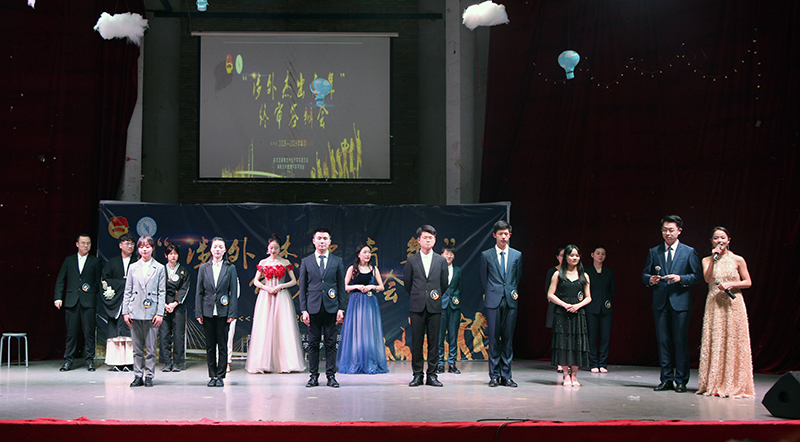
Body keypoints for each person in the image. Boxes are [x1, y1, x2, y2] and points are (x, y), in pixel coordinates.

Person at [642, 215, 703, 393]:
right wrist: (650, 279)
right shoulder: (654, 251)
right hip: (660, 302)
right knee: (663, 341)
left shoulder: (688, 251)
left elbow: (697, 276)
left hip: (680, 302)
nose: (667, 234)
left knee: (680, 341)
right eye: (664, 230)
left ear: (679, 231)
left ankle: (681, 380)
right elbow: (645, 274)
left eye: (671, 230)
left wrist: (680, 278)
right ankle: (666, 379)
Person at [697, 227, 754, 398]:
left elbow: (748, 282)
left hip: (733, 304)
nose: (719, 241)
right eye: (716, 238)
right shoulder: (707, 260)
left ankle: (733, 383)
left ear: (728, 240)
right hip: (714, 304)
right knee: (716, 340)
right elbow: (708, 279)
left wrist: (731, 284)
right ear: (711, 241)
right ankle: (714, 383)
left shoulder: (738, 259)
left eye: (722, 238)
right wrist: (714, 260)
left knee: (734, 340)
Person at [246, 234, 305, 374]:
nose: (273, 250)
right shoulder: (263, 262)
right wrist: (266, 288)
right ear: (268, 248)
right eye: (271, 248)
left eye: (276, 248)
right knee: (264, 327)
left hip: (281, 296)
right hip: (266, 296)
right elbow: (256, 281)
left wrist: (280, 286)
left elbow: (293, 281)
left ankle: (286, 363)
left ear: (280, 248)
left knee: (283, 327)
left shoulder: (285, 262)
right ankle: (263, 363)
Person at [298, 228, 347, 388]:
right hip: (313, 309)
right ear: (314, 241)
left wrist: (341, 308)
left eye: (325, 238)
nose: (322, 241)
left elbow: (341, 287)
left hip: (331, 308)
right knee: (313, 344)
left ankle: (331, 376)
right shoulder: (306, 261)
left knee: (331, 344)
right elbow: (302, 288)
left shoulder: (337, 261)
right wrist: (304, 310)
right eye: (319, 238)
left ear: (330, 241)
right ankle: (313, 376)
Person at [403, 225, 449, 387]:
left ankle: (432, 375)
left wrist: (433, 296)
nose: (428, 240)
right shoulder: (412, 260)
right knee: (417, 342)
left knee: (434, 342)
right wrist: (419, 295)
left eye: (431, 238)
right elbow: (408, 283)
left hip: (434, 306)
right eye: (425, 237)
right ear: (419, 240)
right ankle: (417, 375)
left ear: (434, 240)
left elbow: (444, 283)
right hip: (417, 306)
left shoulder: (441, 260)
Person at [480, 220, 522, 388]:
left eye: (506, 234)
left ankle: (506, 375)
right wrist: (493, 291)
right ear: (494, 235)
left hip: (510, 300)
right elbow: (484, 279)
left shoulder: (517, 255)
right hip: (493, 300)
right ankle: (494, 376)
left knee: (508, 339)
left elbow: (517, 277)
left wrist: (510, 291)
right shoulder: (486, 255)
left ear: (510, 235)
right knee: (493, 339)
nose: (503, 237)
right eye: (500, 234)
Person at [54, 234, 103, 372]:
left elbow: (98, 281)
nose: (86, 245)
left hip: (88, 302)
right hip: (72, 301)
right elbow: (61, 279)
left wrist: (91, 293)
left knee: (89, 332)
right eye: (83, 243)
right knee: (71, 333)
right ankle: (68, 361)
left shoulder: (95, 261)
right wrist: (58, 298)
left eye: (88, 243)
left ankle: (90, 361)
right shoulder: (69, 260)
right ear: (77, 244)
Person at [337, 243, 389, 374]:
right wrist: (357, 286)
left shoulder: (374, 269)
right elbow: (345, 286)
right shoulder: (352, 269)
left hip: (370, 301)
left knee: (369, 331)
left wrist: (372, 287)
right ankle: (355, 361)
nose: (367, 255)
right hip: (356, 301)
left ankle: (369, 362)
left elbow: (382, 286)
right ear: (358, 254)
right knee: (357, 331)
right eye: (365, 252)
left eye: (369, 252)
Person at [122, 236, 166, 387]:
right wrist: (125, 312)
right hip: (135, 311)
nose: (144, 249)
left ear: (152, 248)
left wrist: (159, 313)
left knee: (151, 348)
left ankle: (149, 375)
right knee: (137, 348)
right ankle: (137, 375)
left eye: (147, 246)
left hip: (152, 312)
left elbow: (162, 292)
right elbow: (127, 291)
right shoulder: (133, 267)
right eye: (141, 247)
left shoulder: (159, 268)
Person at [195, 237, 239, 388]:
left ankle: (220, 376)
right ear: (211, 249)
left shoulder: (230, 268)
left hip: (223, 312)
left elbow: (233, 292)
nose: (218, 249)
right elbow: (199, 292)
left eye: (221, 247)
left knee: (222, 345)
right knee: (210, 346)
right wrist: (199, 313)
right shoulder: (203, 268)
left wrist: (232, 313)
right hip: (207, 311)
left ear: (225, 250)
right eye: (215, 247)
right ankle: (212, 375)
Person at [547, 244, 592, 387]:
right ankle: (566, 374)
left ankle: (575, 375)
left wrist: (578, 306)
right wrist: (564, 304)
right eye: (571, 255)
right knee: (563, 343)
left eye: (577, 256)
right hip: (562, 312)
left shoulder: (584, 275)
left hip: (578, 313)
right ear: (566, 257)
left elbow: (588, 297)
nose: (574, 258)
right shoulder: (558, 274)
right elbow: (550, 294)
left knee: (577, 343)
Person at [159, 243, 191, 372]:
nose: (173, 256)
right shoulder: (161, 270)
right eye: (170, 253)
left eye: (175, 253)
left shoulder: (183, 271)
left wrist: (175, 303)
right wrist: (164, 304)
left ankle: (177, 362)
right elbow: (157, 288)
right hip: (164, 305)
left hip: (178, 305)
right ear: (166, 255)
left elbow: (185, 288)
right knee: (164, 334)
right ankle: (166, 362)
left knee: (178, 334)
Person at [101, 234, 135, 347]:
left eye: (132, 243)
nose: (130, 246)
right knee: (114, 333)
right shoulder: (112, 262)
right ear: (120, 245)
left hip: (132, 303)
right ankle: (115, 358)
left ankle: (130, 358)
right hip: (116, 303)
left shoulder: (138, 262)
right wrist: (123, 283)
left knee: (131, 333)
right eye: (127, 243)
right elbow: (105, 280)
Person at [585, 246, 615, 373]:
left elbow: (611, 290)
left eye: (603, 254)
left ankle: (603, 363)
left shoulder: (609, 272)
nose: (600, 256)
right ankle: (593, 363)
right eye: (598, 253)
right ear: (592, 255)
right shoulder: (586, 272)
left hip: (605, 308)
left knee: (605, 336)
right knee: (591, 336)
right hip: (591, 308)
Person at [436, 246, 462, 374]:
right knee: (440, 336)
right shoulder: (437, 269)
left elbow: (460, 288)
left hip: (454, 306)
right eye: (447, 253)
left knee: (453, 336)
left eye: (451, 254)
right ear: (442, 255)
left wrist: (455, 297)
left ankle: (452, 363)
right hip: (440, 306)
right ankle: (440, 363)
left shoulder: (458, 270)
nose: (449, 256)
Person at [544, 246, 566, 372]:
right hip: (556, 306)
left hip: (569, 306)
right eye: (562, 255)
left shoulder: (572, 272)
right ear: (557, 257)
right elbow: (548, 292)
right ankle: (559, 361)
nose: (564, 258)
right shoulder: (552, 271)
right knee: (558, 335)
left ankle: (567, 361)